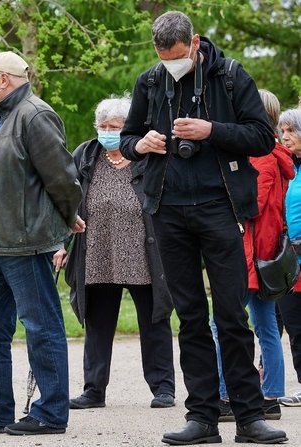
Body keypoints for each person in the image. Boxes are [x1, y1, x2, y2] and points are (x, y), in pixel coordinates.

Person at [119, 11, 286, 444]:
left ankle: (250, 416)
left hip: (220, 207)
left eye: (176, 57)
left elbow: (262, 138)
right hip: (167, 209)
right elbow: (126, 138)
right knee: (190, 317)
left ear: (194, 44)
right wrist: (141, 143)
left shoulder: (230, 76)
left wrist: (212, 130)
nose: (169, 66)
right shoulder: (150, 81)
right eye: (162, 58)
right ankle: (202, 418)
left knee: (231, 315)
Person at [0, 51, 82, 437]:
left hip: (24, 242)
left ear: (5, 78)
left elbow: (63, 178)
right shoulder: (1, 118)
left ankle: (50, 413)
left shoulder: (34, 115)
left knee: (41, 326)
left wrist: (64, 218)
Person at [54, 95, 175, 411]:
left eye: (115, 127)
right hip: (96, 252)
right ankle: (94, 390)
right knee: (98, 322)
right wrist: (61, 239)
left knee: (154, 319)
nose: (107, 132)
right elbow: (65, 197)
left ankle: (163, 388)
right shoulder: (86, 154)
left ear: (130, 128)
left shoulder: (147, 156)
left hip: (142, 252)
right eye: (103, 126)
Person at [212, 89, 292, 422]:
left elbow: (249, 206)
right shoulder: (274, 155)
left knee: (223, 326)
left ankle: (227, 395)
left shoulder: (260, 156)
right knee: (265, 327)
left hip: (250, 256)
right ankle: (270, 395)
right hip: (264, 256)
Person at [277, 108, 301, 407]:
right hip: (287, 259)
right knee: (294, 326)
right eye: (282, 132)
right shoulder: (283, 167)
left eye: (291, 131)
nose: (285, 137)